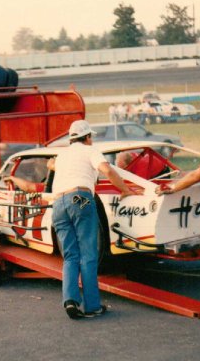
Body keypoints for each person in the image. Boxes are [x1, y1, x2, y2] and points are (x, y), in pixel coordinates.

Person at [52, 120, 139, 319]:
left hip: (58, 204)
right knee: (88, 254)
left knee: (70, 256)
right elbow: (107, 171)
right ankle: (92, 306)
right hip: (79, 199)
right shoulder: (90, 151)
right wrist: (124, 189)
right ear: (88, 137)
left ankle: (71, 301)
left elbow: (51, 165)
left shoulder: (62, 154)